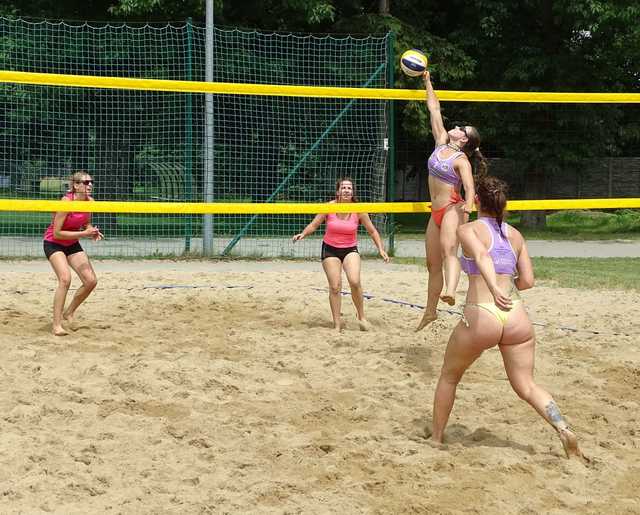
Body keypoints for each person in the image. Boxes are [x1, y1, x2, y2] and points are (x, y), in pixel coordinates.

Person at [429, 175, 583, 459]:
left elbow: (482, 257)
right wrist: (502, 286)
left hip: (483, 314)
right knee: (527, 385)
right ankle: (562, 428)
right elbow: (527, 281)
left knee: (449, 377)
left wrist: (490, 286)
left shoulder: (469, 229)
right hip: (516, 316)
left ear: (477, 202)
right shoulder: (515, 234)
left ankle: (436, 438)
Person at [416, 70, 488, 331]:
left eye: (461, 129)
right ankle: (430, 311)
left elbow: (469, 187)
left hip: (452, 208)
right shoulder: (440, 143)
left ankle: (450, 290)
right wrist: (427, 81)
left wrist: (468, 205)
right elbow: (434, 108)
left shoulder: (460, 160)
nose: (455, 128)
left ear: (465, 140)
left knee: (449, 252)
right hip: (435, 211)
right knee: (431, 265)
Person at [293, 177, 389, 331]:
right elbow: (314, 224)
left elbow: (372, 231)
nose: (346, 190)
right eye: (343, 187)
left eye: (349, 188)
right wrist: (302, 234)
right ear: (337, 191)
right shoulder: (329, 207)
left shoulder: (358, 209)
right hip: (330, 249)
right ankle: (337, 324)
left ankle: (361, 317)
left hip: (350, 249)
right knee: (335, 286)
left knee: (355, 281)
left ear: (352, 192)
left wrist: (381, 249)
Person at [43, 170, 103, 336]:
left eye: (91, 182)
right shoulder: (65, 202)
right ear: (75, 185)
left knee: (91, 281)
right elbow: (57, 233)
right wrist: (83, 234)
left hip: (72, 243)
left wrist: (92, 230)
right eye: (85, 182)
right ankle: (56, 325)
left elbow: (86, 224)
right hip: (53, 243)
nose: (89, 185)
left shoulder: (90, 201)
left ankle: (69, 312)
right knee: (65, 279)